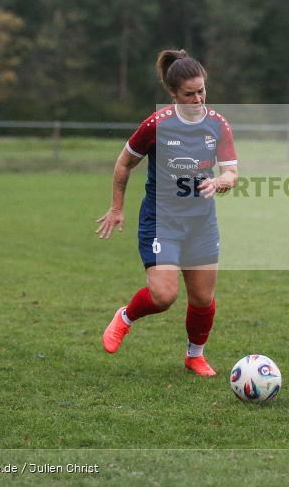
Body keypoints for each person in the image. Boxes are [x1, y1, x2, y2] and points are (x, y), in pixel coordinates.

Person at [97, 49, 238, 376]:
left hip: (202, 223)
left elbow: (232, 172)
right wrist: (117, 208)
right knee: (163, 296)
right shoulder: (156, 125)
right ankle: (125, 317)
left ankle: (195, 356)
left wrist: (219, 181)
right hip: (162, 222)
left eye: (201, 90)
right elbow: (124, 164)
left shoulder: (217, 124)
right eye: (189, 94)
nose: (198, 98)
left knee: (203, 299)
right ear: (173, 94)